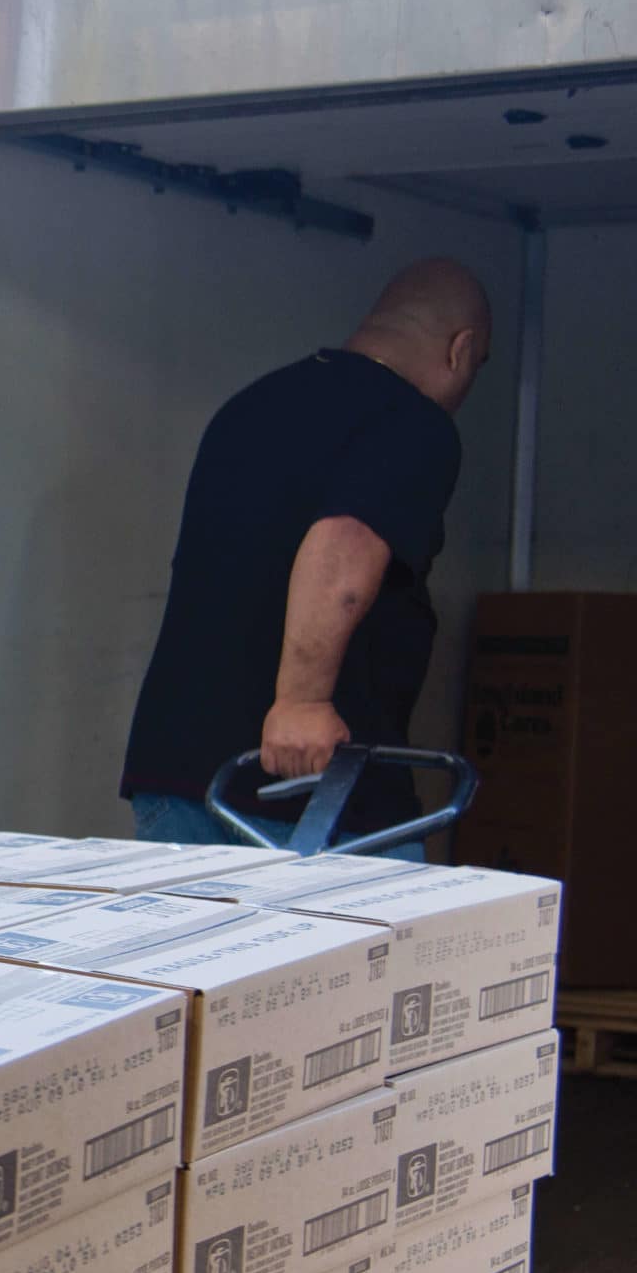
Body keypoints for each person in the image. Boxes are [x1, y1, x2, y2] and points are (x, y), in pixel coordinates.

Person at [121, 259, 492, 853]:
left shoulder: (250, 406)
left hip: (179, 772)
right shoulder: (413, 422)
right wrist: (302, 701)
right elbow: (345, 541)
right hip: (299, 792)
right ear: (461, 350)